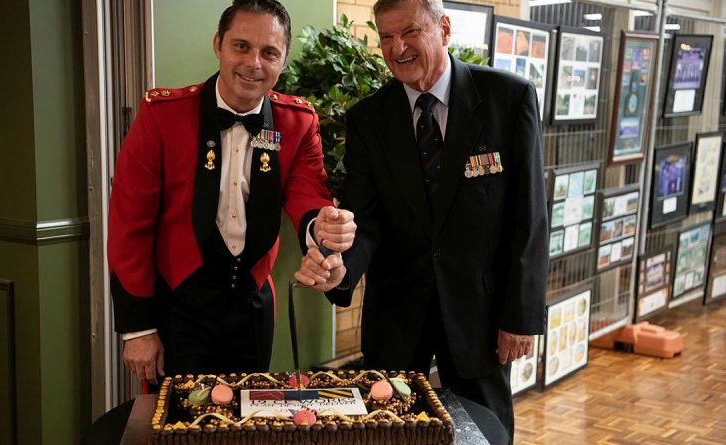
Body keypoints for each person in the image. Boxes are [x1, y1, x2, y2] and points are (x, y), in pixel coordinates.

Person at [295, 0, 548, 441]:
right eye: (386, 37)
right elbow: (365, 220)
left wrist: (522, 315)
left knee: (485, 434)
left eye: (409, 32)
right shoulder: (368, 118)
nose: (397, 48)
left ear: (444, 28)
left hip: (480, 314)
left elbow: (529, 217)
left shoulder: (508, 99)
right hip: (397, 316)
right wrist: (339, 268)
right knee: (389, 433)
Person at [107, 0, 355, 387]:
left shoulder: (298, 123)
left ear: (283, 60)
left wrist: (323, 233)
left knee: (246, 421)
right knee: (175, 425)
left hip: (253, 305)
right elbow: (128, 225)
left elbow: (308, 199)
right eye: (241, 46)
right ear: (218, 45)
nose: (254, 62)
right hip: (178, 306)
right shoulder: (162, 116)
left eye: (269, 52)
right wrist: (138, 328)